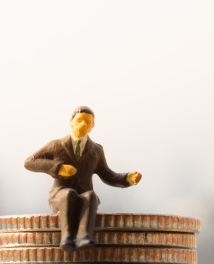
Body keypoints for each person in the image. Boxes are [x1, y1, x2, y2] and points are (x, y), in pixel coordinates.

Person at [24, 106, 142, 250]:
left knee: (91, 196)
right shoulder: (56, 145)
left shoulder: (96, 150)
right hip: (60, 193)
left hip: (84, 193)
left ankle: (84, 236)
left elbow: (107, 174)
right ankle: (67, 237)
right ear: (71, 122)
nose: (83, 124)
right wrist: (58, 168)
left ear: (92, 126)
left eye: (87, 122)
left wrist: (127, 178)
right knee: (69, 194)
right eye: (79, 120)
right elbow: (30, 162)